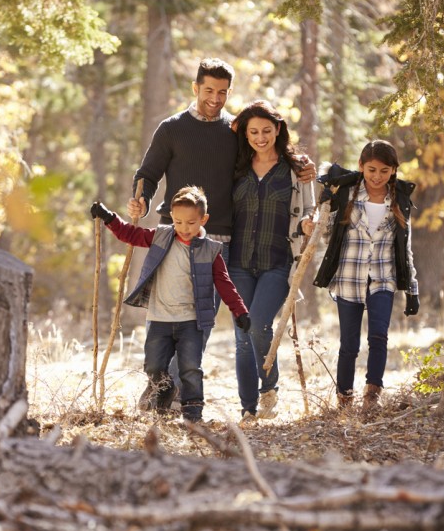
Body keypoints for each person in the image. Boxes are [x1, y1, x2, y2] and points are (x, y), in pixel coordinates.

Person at [127, 58, 316, 409]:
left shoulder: (234, 131)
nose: (215, 98)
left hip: (220, 243)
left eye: (223, 92)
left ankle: (172, 390)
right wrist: (140, 198)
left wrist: (303, 166)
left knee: (202, 321)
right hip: (175, 237)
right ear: (195, 88)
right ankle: (161, 385)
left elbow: (269, 155)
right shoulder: (171, 128)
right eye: (209, 90)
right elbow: (148, 173)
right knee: (169, 315)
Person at [91, 186, 251, 423]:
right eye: (178, 222)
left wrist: (239, 310)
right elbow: (131, 235)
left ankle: (193, 413)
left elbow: (224, 283)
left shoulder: (211, 250)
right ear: (171, 219)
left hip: (191, 321)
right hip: (159, 319)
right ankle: (164, 389)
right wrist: (108, 218)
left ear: (203, 219)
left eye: (191, 222)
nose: (184, 229)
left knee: (190, 368)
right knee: (153, 366)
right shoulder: (161, 236)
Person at [313, 140, 420, 416]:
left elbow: (405, 248)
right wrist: (324, 211)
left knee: (379, 336)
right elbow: (327, 236)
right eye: (371, 169)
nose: (377, 176)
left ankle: (373, 394)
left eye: (384, 171)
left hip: (383, 278)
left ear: (393, 171)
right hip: (349, 277)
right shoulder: (347, 193)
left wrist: (412, 289)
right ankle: (344, 398)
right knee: (349, 344)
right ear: (361, 166)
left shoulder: (399, 200)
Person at [228, 100, 316, 425]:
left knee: (259, 323)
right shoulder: (235, 165)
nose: (260, 137)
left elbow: (311, 208)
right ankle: (248, 408)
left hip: (278, 262)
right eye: (253, 131)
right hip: (237, 262)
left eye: (267, 130)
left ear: (278, 130)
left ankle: (269, 387)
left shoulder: (296, 169)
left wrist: (309, 222)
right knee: (242, 334)